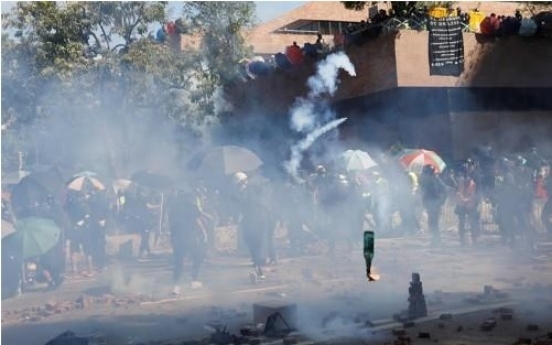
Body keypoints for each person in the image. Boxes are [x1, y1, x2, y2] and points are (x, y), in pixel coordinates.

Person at [168, 188, 208, 295]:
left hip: (177, 238)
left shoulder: (173, 208)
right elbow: (197, 220)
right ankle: (194, 280)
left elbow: (171, 224)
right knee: (198, 257)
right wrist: (204, 233)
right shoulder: (191, 206)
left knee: (178, 262)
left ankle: (176, 286)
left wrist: (172, 238)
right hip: (190, 237)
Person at [419, 165, 447, 246]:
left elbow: (444, 190)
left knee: (433, 223)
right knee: (432, 223)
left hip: (435, 205)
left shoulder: (435, 180)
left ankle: (437, 241)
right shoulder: (429, 181)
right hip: (431, 205)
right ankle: (435, 240)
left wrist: (441, 201)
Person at [455, 159, 481, 246]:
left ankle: (474, 240)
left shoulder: (475, 179)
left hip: (471, 204)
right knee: (461, 223)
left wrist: (474, 201)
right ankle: (462, 240)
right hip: (462, 205)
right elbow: (457, 191)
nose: (468, 167)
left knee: (473, 222)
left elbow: (477, 193)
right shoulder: (461, 180)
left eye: (470, 165)